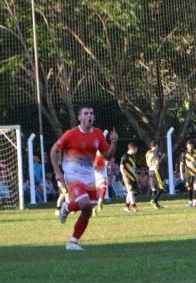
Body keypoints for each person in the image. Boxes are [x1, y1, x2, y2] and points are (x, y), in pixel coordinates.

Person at [50, 105, 118, 251]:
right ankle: (66, 207)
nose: (89, 116)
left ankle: (73, 242)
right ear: (79, 117)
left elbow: (107, 155)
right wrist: (57, 172)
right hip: (72, 175)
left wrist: (113, 143)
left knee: (88, 211)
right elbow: (54, 150)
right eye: (86, 113)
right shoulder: (71, 134)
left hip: (89, 176)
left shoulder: (98, 134)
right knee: (85, 204)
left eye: (91, 113)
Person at [180, 139, 196, 207]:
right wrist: (181, 174)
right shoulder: (184, 154)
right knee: (189, 187)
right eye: (189, 145)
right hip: (188, 172)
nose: (190, 147)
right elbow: (181, 164)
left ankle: (194, 201)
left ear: (193, 146)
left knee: (195, 185)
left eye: (191, 145)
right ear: (186, 146)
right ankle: (190, 201)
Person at [120, 143, 140, 213]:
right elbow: (121, 167)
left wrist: (136, 175)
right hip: (127, 177)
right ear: (132, 148)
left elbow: (133, 168)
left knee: (131, 192)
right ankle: (134, 207)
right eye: (136, 149)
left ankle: (126, 206)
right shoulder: (125, 156)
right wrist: (124, 176)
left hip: (133, 177)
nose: (137, 150)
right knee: (130, 192)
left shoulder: (133, 156)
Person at [146, 140, 166, 208]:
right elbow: (157, 162)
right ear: (156, 145)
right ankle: (154, 200)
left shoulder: (148, 153)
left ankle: (156, 203)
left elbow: (147, 164)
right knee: (162, 186)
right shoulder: (156, 151)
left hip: (150, 171)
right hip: (155, 170)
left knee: (154, 188)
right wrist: (162, 158)